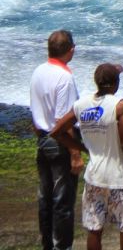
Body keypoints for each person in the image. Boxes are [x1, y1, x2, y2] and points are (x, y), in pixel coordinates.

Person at [50, 63, 123, 250]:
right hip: (121, 179)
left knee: (94, 229)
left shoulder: (81, 105)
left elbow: (56, 132)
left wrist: (82, 148)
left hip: (94, 177)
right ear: (116, 84)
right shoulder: (119, 105)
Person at [30, 29, 82, 250]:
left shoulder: (38, 71)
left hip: (42, 138)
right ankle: (61, 246)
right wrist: (75, 154)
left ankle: (47, 245)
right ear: (70, 51)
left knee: (46, 199)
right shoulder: (65, 78)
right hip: (60, 142)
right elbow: (64, 121)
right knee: (62, 202)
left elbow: (34, 109)